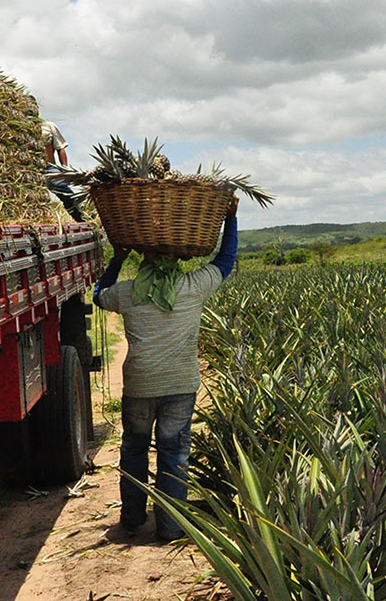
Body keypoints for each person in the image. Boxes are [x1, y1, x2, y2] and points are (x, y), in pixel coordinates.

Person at [93, 196, 239, 541]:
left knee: (134, 450)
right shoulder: (192, 288)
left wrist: (117, 258)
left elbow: (98, 294)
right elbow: (226, 260)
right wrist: (230, 219)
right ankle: (170, 527)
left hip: (140, 386)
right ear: (178, 259)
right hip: (180, 385)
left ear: (144, 260)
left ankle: (131, 519)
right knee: (173, 454)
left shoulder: (127, 293)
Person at [40, 116, 84, 221]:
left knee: (62, 188)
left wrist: (65, 169)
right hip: (31, 170)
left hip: (49, 168)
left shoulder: (48, 126)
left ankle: (80, 217)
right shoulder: (25, 130)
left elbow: (61, 148)